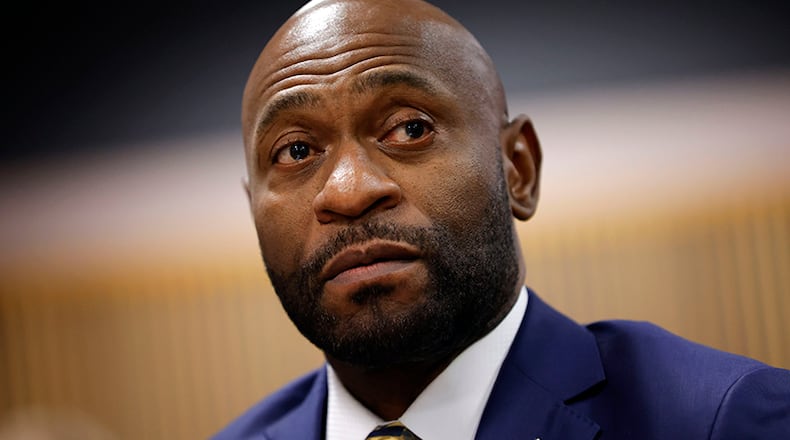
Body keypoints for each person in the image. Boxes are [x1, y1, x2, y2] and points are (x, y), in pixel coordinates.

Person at [214, 0, 790, 438]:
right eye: (294, 151)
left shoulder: (723, 418)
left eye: (410, 128)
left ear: (518, 169)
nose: (348, 191)